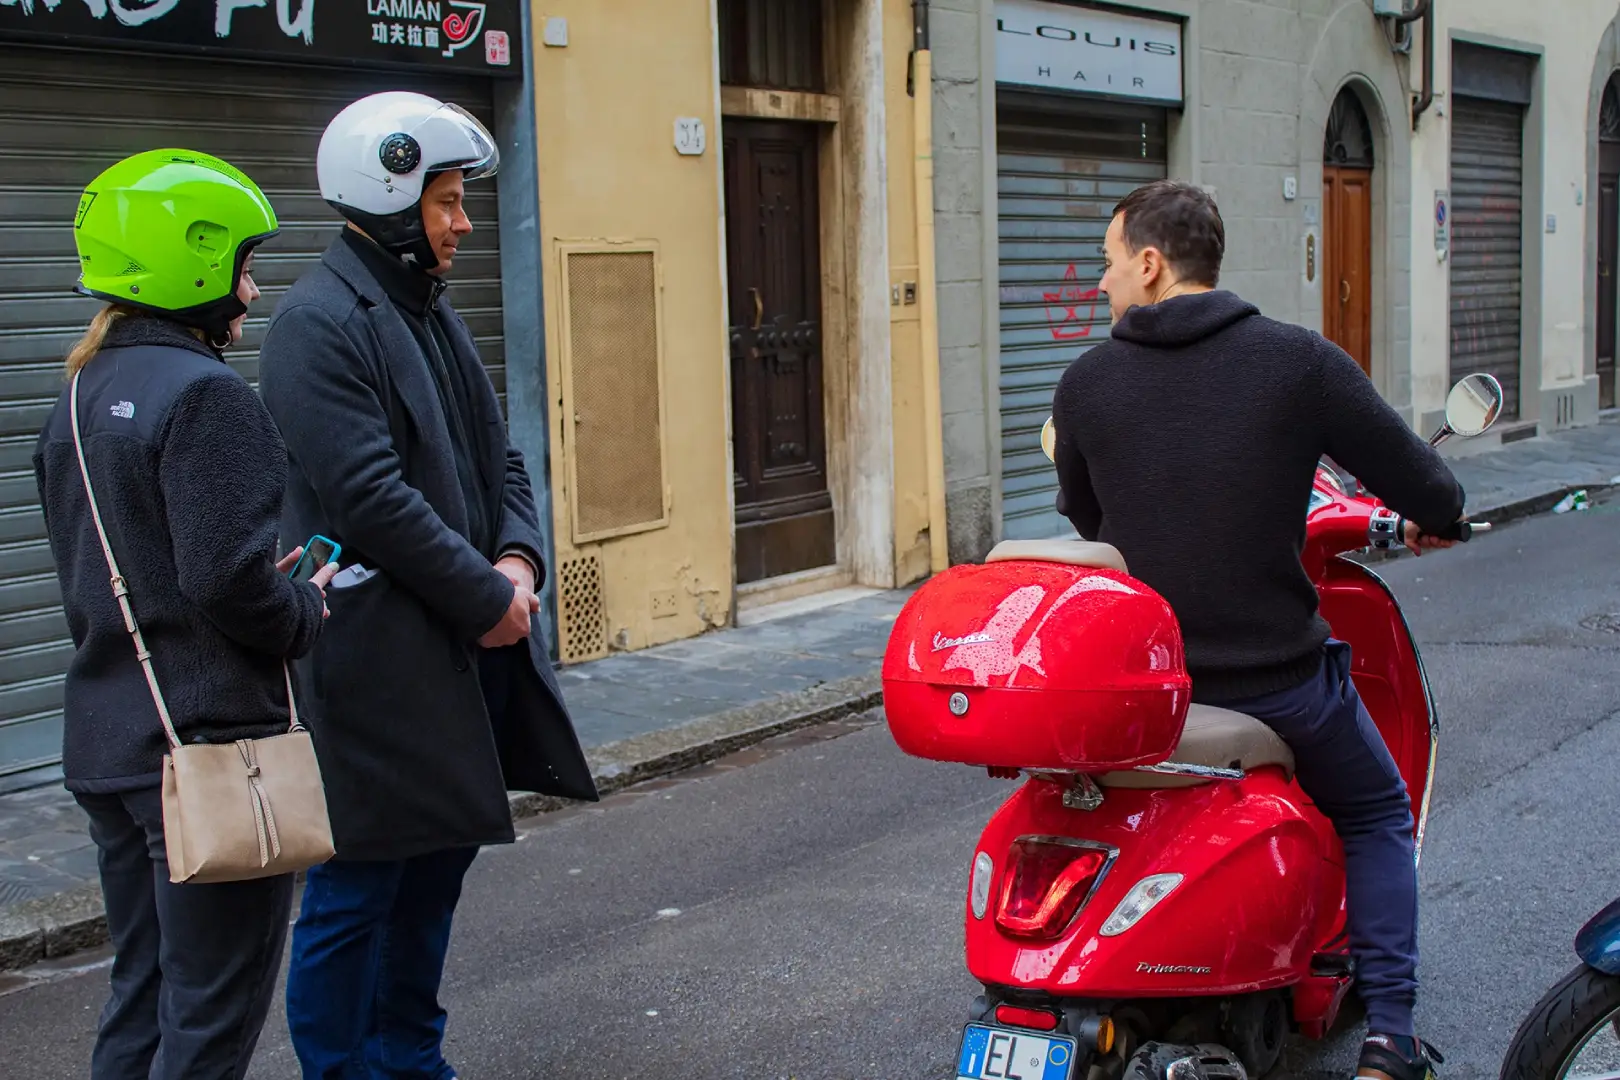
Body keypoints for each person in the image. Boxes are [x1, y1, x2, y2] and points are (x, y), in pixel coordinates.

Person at [1050, 180, 1462, 1080]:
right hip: (1278, 682)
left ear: (1152, 265)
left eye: (1110, 264)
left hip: (1150, 691)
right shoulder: (1297, 362)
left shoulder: (1085, 384)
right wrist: (1435, 514)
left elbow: (1086, 517)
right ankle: (1390, 1035)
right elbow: (1431, 489)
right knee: (1379, 812)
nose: (1104, 282)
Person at [257, 91, 598, 1079]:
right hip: (376, 677)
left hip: (453, 671)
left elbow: (505, 466)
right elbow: (368, 496)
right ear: (393, 194)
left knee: (432, 878)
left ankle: (412, 1058)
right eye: (448, 201)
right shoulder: (319, 326)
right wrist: (485, 600)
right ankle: (342, 1067)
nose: (461, 222)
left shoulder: (430, 316)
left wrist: (519, 562)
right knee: (357, 891)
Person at [33, 149, 338, 1080]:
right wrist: (305, 604)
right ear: (193, 263)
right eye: (242, 263)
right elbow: (228, 586)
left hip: (112, 746)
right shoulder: (206, 397)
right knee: (211, 1017)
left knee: (145, 994)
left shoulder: (81, 394)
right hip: (205, 756)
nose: (250, 288)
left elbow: (128, 567)